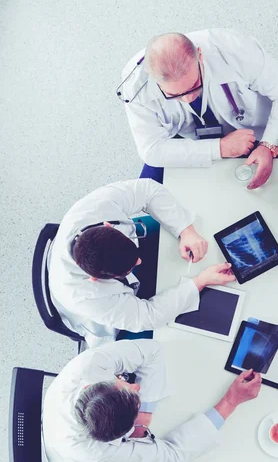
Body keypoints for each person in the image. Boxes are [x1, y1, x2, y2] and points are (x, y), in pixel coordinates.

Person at [48, 179, 236, 347]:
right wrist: (199, 282)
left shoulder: (94, 208)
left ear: (108, 225)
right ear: (96, 279)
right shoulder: (87, 297)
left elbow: (148, 191)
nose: (140, 261)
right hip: (110, 316)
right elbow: (148, 317)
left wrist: (186, 230)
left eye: (135, 256)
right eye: (130, 267)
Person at [118, 29, 278, 189]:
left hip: (255, 134)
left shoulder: (233, 49)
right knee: (146, 193)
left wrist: (269, 146)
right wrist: (219, 148)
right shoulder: (135, 87)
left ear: (200, 55)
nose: (188, 98)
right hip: (190, 142)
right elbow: (151, 150)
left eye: (194, 85)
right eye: (174, 95)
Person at [42, 339, 262, 461]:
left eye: (122, 382)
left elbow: (152, 351)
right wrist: (231, 401)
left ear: (93, 385)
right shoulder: (100, 455)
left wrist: (144, 414)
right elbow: (174, 455)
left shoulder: (88, 365)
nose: (138, 387)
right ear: (120, 438)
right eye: (136, 395)